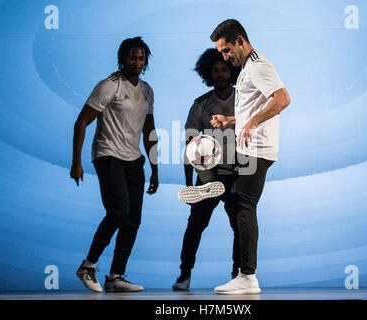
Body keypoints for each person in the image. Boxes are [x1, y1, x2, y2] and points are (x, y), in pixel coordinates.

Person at [70, 36, 158, 293]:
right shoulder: (109, 86)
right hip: (108, 155)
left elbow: (149, 130)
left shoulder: (146, 90)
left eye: (141, 58)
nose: (137, 62)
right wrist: (76, 161)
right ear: (122, 58)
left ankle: (115, 276)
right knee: (118, 211)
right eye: (132, 57)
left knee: (132, 220)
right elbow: (81, 122)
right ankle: (88, 266)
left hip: (134, 159)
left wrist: (154, 168)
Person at [209, 19, 291, 294]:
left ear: (240, 41)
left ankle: (247, 276)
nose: (225, 56)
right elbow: (255, 104)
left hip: (258, 150)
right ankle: (244, 274)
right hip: (249, 148)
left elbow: (282, 98)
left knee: (244, 205)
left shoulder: (258, 65)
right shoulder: (247, 68)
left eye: (227, 50)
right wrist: (232, 119)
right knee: (239, 202)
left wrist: (253, 122)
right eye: (222, 52)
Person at [173, 48, 241, 290]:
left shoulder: (244, 100)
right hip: (208, 174)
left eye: (224, 69)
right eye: (216, 70)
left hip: (237, 173)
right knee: (195, 225)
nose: (221, 74)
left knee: (240, 226)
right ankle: (184, 275)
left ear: (232, 70)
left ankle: (238, 275)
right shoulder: (201, 104)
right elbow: (190, 148)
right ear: (209, 73)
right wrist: (190, 184)